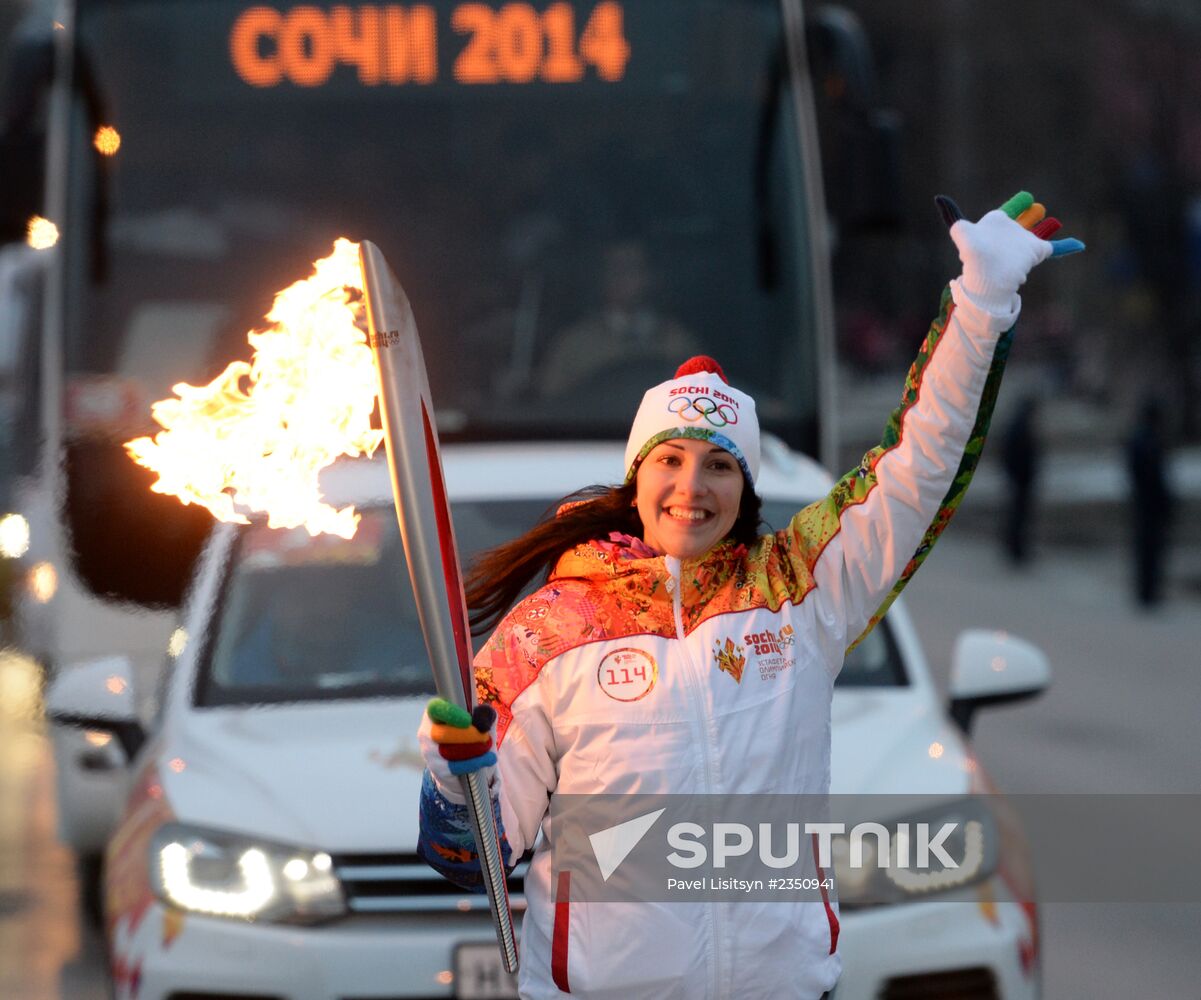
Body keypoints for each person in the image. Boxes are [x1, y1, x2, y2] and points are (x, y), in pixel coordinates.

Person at [416, 192, 1082, 999]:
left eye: (719, 465)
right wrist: (455, 779)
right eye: (669, 461)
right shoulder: (548, 632)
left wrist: (978, 307)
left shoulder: (799, 591)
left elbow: (918, 466)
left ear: (744, 489)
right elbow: (472, 857)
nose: (691, 486)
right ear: (637, 478)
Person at [1126, 393, 1174, 607]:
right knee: (1150, 549)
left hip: (1144, 501)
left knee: (1147, 549)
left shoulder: (1141, 438)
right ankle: (1147, 591)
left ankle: (1146, 590)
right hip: (1150, 502)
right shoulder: (1149, 440)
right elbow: (1155, 476)